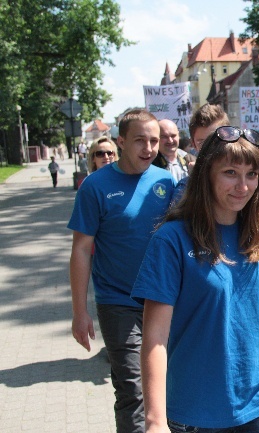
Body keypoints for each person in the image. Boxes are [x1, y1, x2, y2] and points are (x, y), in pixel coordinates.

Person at [132, 126, 259, 432]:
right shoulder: (172, 240)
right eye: (230, 172)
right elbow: (154, 338)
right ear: (206, 174)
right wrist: (154, 420)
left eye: (252, 174)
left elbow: (252, 323)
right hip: (195, 411)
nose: (243, 186)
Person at [68, 109, 176, 432]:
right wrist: (79, 311)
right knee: (133, 392)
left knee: (164, 387)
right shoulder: (95, 186)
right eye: (140, 140)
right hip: (118, 303)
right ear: (121, 141)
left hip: (163, 301)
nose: (149, 148)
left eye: (154, 141)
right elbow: (81, 250)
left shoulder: (166, 181)